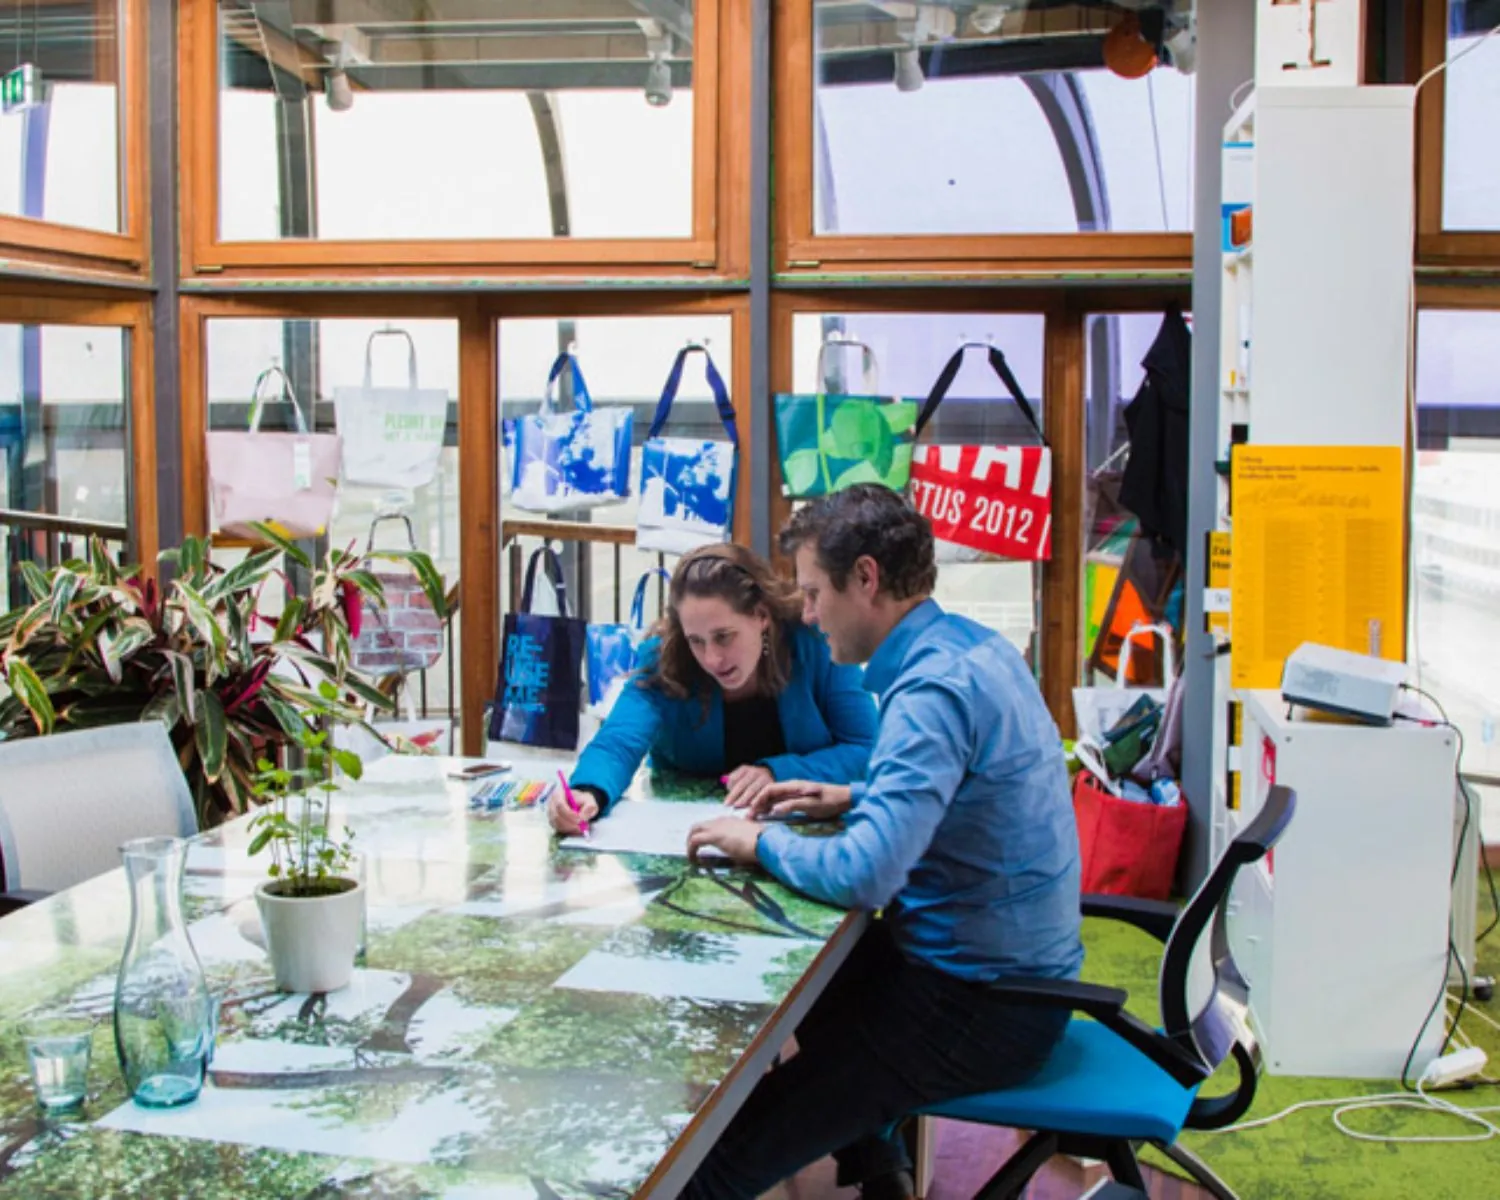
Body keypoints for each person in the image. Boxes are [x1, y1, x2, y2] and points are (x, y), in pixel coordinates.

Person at [681, 484, 1083, 1200]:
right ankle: (880, 1170)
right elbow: (975, 792)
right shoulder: (972, 647)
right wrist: (858, 793)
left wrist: (756, 845)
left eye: (811, 593)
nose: (804, 614)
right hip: (1014, 980)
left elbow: (868, 874)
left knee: (719, 1154)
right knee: (812, 978)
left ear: (865, 578)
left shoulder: (930, 690)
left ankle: (836, 1148)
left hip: (980, 1009)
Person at [548, 543, 877, 833]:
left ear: (761, 616)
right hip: (681, 838)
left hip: (805, 836)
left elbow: (868, 749)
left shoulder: (815, 644)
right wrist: (587, 791)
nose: (712, 658)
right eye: (696, 641)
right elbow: (618, 742)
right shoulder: (666, 658)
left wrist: (778, 773)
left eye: (724, 636)